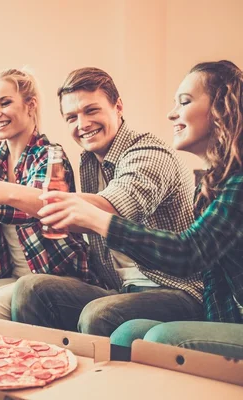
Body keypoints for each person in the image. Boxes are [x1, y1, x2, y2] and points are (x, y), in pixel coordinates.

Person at [54, 60, 243, 359]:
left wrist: (100, 220)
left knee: (159, 337)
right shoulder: (212, 186)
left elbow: (189, 253)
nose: (171, 113)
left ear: (222, 109)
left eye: (184, 102)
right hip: (221, 315)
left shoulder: (238, 185)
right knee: (129, 333)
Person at [0, 67, 204, 335]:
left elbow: (111, 209)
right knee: (31, 288)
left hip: (177, 290)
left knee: (99, 313)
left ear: (118, 106)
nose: (82, 124)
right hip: (118, 288)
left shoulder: (148, 152)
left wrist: (3, 192)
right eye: (72, 117)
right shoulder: (88, 162)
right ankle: (50, 369)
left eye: (91, 110)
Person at [0, 68, 93, 320]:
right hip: (10, 272)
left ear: (30, 105)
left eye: (5, 103)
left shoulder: (49, 154)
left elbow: (36, 208)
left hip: (55, 272)